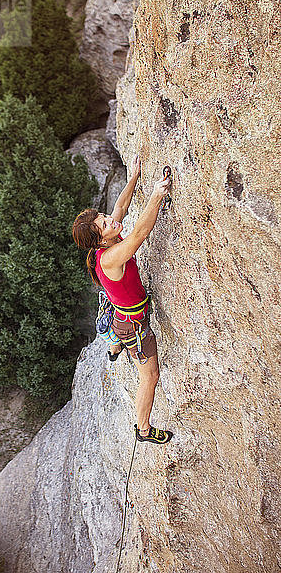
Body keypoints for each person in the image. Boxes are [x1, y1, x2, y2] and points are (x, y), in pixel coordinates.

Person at [72, 156, 173, 444]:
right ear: (101, 240)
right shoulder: (111, 256)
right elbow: (140, 233)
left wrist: (134, 177)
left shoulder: (103, 246)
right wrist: (156, 195)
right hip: (133, 325)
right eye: (104, 224)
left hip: (123, 316)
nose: (110, 220)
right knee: (149, 376)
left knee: (119, 323)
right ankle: (143, 429)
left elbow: (121, 208)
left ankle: (114, 346)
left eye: (102, 217)